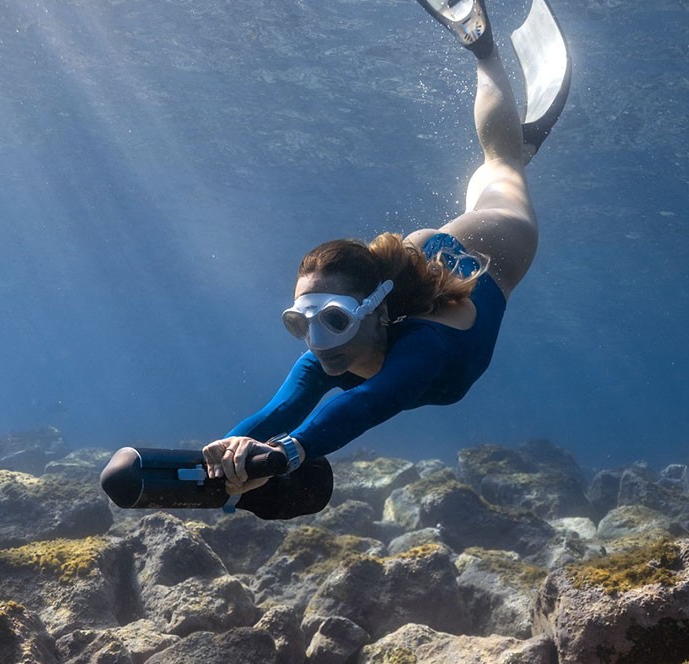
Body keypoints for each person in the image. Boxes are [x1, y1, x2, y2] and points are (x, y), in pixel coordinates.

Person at [202, 28, 542, 497]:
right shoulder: (329, 353)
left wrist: (287, 453)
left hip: (493, 246)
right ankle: (509, 148)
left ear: (377, 310)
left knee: (502, 162)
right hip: (418, 261)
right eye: (301, 323)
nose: (318, 341)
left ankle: (483, 49)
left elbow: (366, 403)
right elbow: (277, 412)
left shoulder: (424, 348)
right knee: (492, 173)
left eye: (334, 320)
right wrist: (226, 450)